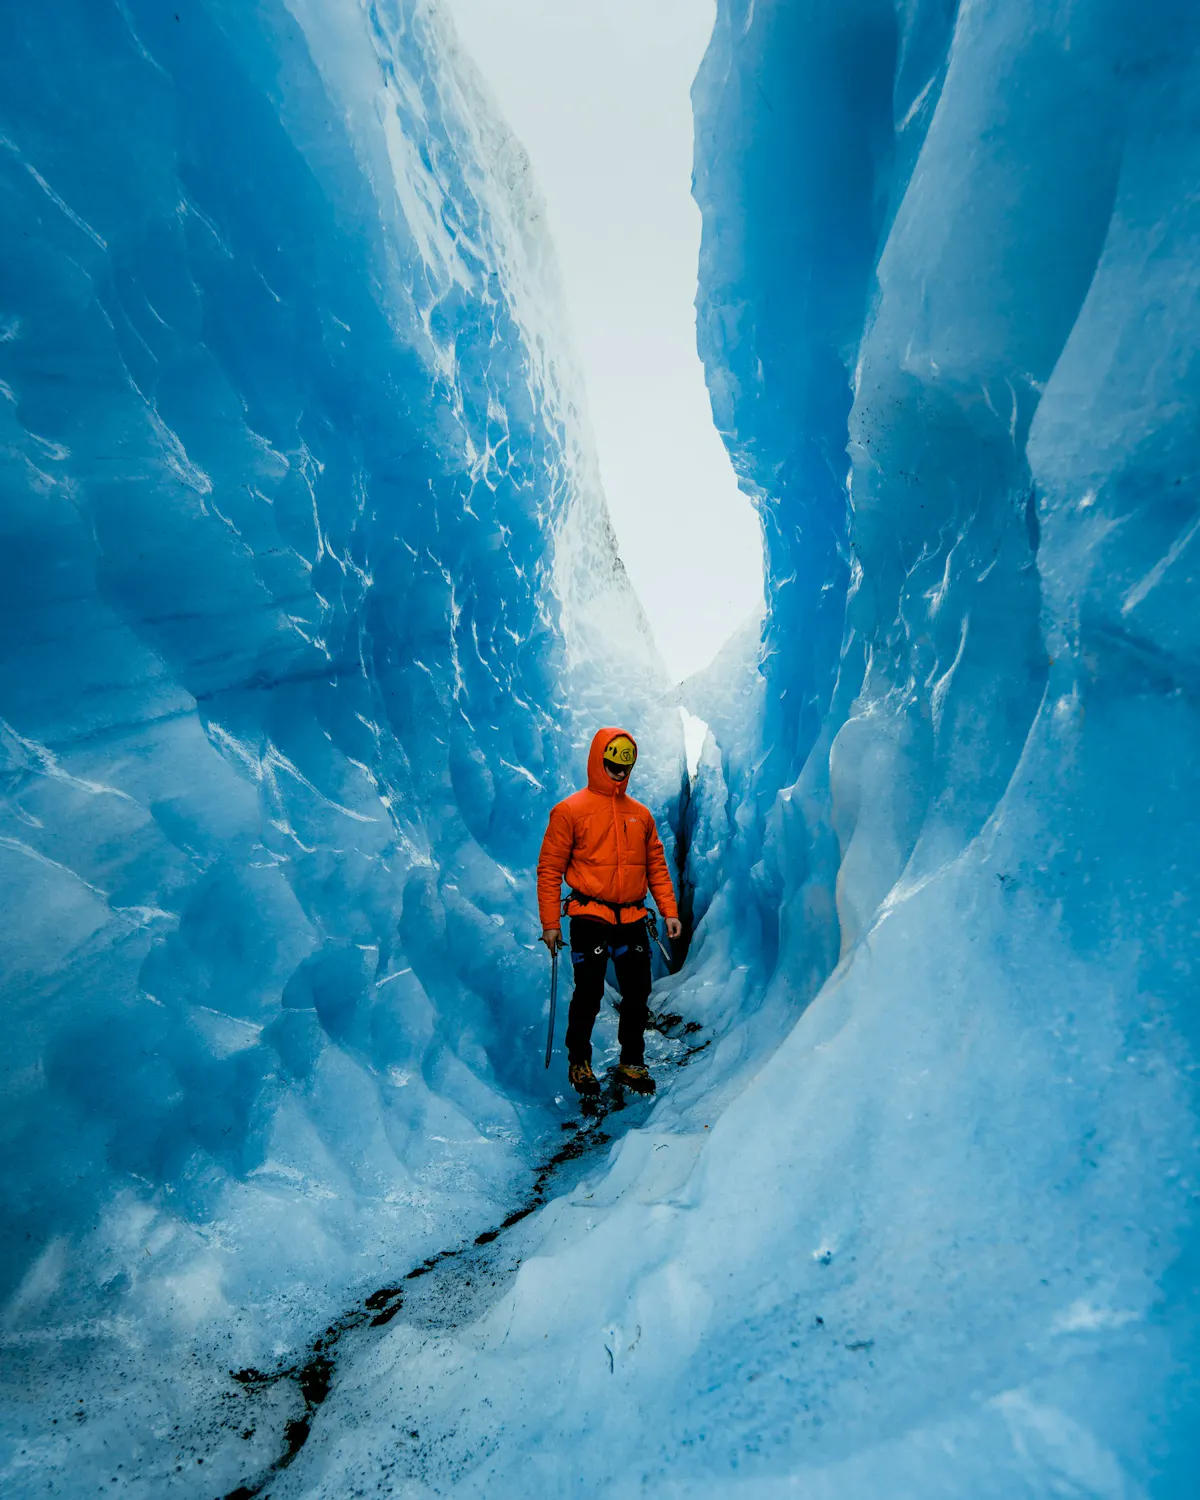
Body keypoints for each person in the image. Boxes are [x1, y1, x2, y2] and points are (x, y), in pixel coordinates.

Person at [536, 726, 682, 1096]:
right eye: (613, 760)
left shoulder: (641, 816)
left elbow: (656, 868)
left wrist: (669, 911)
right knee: (588, 991)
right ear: (599, 759)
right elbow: (550, 869)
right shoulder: (570, 811)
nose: (619, 770)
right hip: (589, 917)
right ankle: (579, 1061)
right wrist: (551, 923)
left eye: (626, 762)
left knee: (638, 991)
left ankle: (631, 1061)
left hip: (632, 917)